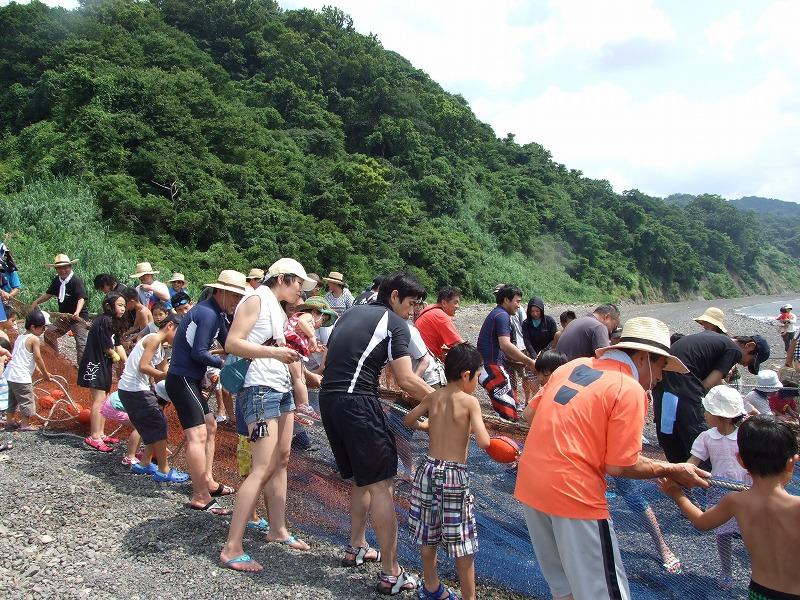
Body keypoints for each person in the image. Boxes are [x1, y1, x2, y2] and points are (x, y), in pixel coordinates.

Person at [515, 317, 710, 600]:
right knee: (604, 592)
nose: (660, 377)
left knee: (564, 588)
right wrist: (672, 468)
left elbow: (530, 415)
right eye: (660, 366)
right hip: (574, 495)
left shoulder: (573, 366)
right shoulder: (629, 388)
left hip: (531, 485)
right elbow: (621, 464)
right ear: (643, 358)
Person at [319, 271, 433, 594]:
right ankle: (391, 573)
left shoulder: (349, 312)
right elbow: (407, 379)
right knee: (383, 483)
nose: (412, 312)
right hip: (357, 402)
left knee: (360, 478)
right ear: (394, 296)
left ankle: (355, 546)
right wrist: (443, 400)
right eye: (411, 304)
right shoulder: (395, 324)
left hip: (329, 400)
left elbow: (329, 362)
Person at [220, 258, 316, 572]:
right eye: (300, 283)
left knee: (282, 459)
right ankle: (231, 547)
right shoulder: (256, 298)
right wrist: (276, 352)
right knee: (261, 466)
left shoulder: (276, 306)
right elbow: (232, 343)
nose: (302, 291)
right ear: (284, 279)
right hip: (259, 390)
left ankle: (278, 529)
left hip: (280, 388)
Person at [660, 415, 800, 600]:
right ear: (792, 463)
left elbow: (702, 522)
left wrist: (677, 494)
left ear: (740, 460)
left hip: (759, 592)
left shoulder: (736, 501)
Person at [403, 343, 490, 600]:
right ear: (466, 375)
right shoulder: (470, 402)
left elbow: (409, 420)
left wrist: (427, 425)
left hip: (427, 469)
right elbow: (485, 442)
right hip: (454, 475)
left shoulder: (434, 395)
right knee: (462, 542)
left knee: (428, 534)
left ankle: (431, 587)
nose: (477, 382)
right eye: (477, 376)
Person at [166, 270, 246, 515]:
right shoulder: (207, 313)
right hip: (181, 378)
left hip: (190, 380)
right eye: (233, 296)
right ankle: (199, 495)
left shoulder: (218, 314)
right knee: (197, 435)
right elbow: (198, 353)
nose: (235, 302)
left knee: (210, 425)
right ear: (221, 291)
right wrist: (225, 365)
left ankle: (208, 481)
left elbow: (229, 343)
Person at [653, 331, 770, 463]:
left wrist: (745, 406)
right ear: (749, 346)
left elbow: (719, 384)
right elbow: (708, 384)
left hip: (662, 383)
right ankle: (703, 478)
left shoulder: (715, 339)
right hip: (684, 386)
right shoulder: (733, 350)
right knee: (696, 437)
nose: (744, 365)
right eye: (750, 361)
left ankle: (676, 472)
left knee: (669, 432)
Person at [685, 385, 751, 589]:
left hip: (745, 490)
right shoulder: (707, 437)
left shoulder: (744, 437)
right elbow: (692, 462)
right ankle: (726, 571)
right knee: (722, 533)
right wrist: (679, 474)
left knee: (749, 532)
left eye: (708, 411)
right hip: (719, 490)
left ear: (721, 415)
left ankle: (757, 571)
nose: (704, 414)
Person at [118, 314, 188, 482]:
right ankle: (164, 470)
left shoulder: (161, 348)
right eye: (180, 333)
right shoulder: (154, 339)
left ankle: (144, 463)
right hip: (133, 389)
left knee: (155, 423)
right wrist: (165, 374)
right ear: (170, 325)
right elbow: (143, 367)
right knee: (159, 423)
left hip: (136, 389)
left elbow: (164, 375)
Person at [476, 285, 536, 421]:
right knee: (508, 415)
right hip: (491, 367)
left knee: (507, 409)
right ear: (506, 300)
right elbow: (505, 344)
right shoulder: (502, 316)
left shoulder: (497, 313)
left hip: (489, 365)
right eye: (517, 301)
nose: (519, 306)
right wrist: (530, 362)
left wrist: (517, 361)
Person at [78, 292, 128, 452]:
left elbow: (118, 343)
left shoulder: (114, 321)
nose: (123, 308)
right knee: (99, 400)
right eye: (120, 305)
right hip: (95, 363)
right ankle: (94, 437)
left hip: (103, 364)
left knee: (104, 398)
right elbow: (108, 347)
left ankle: (100, 433)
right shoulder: (104, 320)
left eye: (124, 305)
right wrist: (114, 356)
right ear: (109, 306)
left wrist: (126, 361)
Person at [31, 254, 89, 365]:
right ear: (56, 269)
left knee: (81, 344)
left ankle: (82, 370)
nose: (63, 270)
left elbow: (81, 298)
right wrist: (36, 301)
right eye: (60, 268)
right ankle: (56, 360)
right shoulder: (57, 281)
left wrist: (76, 312)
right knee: (49, 334)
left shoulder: (75, 280)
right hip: (64, 317)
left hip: (78, 318)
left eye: (66, 267)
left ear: (70, 267)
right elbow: (49, 294)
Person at [4, 311, 52, 431]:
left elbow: (25, 358)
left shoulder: (21, 337)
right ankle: (25, 424)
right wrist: (45, 374)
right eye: (42, 328)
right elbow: (38, 358)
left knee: (12, 400)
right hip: (21, 377)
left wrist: (41, 372)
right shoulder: (34, 339)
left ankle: (9, 422)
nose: (43, 330)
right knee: (27, 400)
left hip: (10, 374)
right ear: (33, 327)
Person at [521, 296, 558, 400]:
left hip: (547, 355)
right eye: (532, 311)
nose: (535, 314)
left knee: (548, 381)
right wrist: (533, 354)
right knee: (533, 383)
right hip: (533, 355)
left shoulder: (549, 321)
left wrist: (544, 351)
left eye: (537, 311)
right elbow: (526, 340)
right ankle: (533, 401)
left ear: (541, 310)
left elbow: (554, 338)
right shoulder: (526, 323)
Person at [555, 303, 620, 361]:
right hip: (574, 372)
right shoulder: (599, 327)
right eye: (614, 326)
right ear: (607, 317)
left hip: (560, 369)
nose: (611, 331)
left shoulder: (574, 322)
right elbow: (605, 359)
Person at [415, 286, 463, 361]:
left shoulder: (431, 309)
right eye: (455, 302)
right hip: (425, 362)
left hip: (417, 357)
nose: (458, 306)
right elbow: (460, 345)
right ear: (444, 303)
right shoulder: (440, 316)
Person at [0, 242, 21, 335]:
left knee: (12, 330)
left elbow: (16, 287)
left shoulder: (10, 269)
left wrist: (8, 296)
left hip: (8, 303)